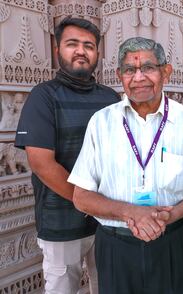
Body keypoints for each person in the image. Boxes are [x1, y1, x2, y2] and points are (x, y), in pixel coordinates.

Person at [68, 36, 183, 294]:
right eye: (130, 69)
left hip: (174, 244)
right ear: (120, 75)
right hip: (117, 248)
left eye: (148, 68)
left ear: (166, 71)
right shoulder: (101, 123)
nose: (138, 77)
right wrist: (130, 212)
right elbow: (81, 197)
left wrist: (171, 214)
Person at [14, 17, 120, 294]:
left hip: (108, 221)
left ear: (98, 53)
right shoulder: (43, 97)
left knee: (109, 286)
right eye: (72, 44)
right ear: (57, 49)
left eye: (89, 45)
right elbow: (41, 162)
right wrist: (87, 202)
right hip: (60, 223)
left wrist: (109, 208)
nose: (81, 51)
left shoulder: (110, 99)